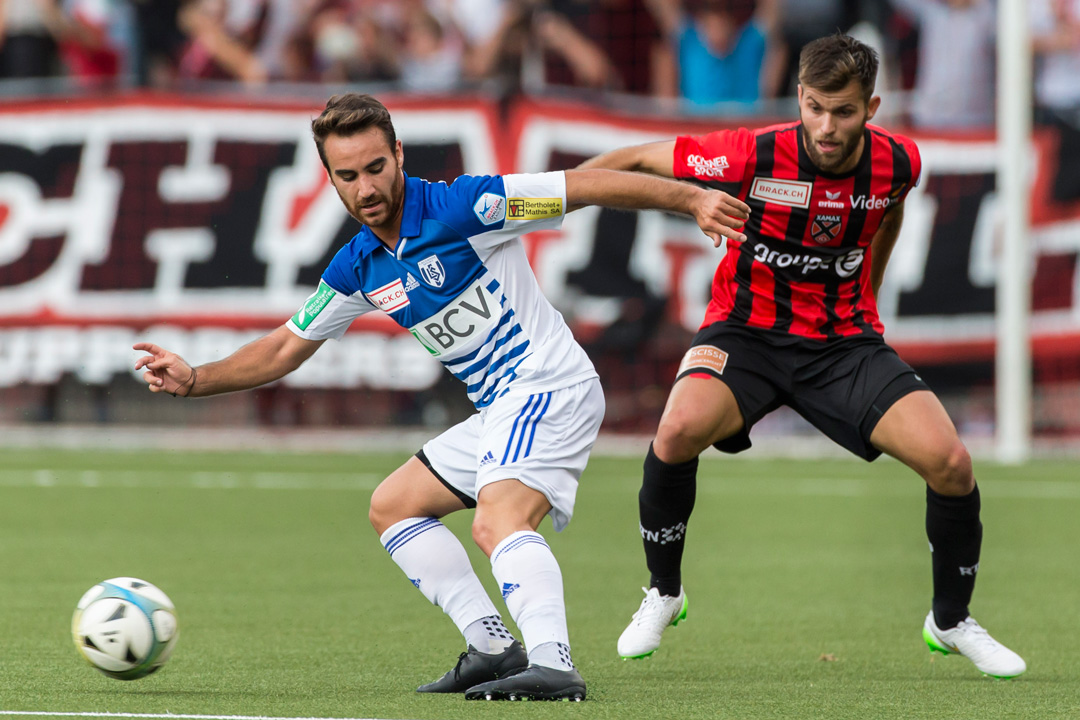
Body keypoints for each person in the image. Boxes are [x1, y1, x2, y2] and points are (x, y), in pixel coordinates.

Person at [132, 93, 750, 701]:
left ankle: (553, 666)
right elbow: (284, 348)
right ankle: (492, 649)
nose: (365, 187)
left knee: (498, 519)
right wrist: (196, 379)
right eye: (347, 175)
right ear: (329, 179)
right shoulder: (358, 266)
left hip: (547, 387)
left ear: (399, 154)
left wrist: (690, 197)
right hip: (504, 409)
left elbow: (583, 187)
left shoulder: (465, 207)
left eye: (376, 167)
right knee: (394, 505)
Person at [577, 33, 1027, 679]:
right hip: (745, 334)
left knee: (951, 462)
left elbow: (888, 212)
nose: (826, 125)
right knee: (675, 431)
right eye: (814, 107)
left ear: (871, 106)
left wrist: (868, 296)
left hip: (843, 343)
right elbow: (645, 159)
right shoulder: (751, 153)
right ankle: (664, 591)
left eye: (842, 111)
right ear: (799, 98)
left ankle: (950, 622)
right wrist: (556, 194)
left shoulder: (899, 162)